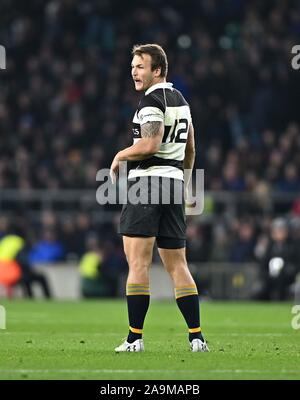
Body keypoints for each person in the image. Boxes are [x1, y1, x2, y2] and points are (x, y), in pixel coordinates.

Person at [110, 44, 208, 352]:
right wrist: (185, 182)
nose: (134, 71)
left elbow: (150, 144)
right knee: (178, 264)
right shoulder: (181, 101)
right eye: (133, 66)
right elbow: (190, 147)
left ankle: (134, 338)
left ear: (158, 70)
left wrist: (120, 154)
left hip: (147, 184)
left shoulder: (151, 102)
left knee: (137, 262)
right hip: (173, 185)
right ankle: (196, 337)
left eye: (141, 66)